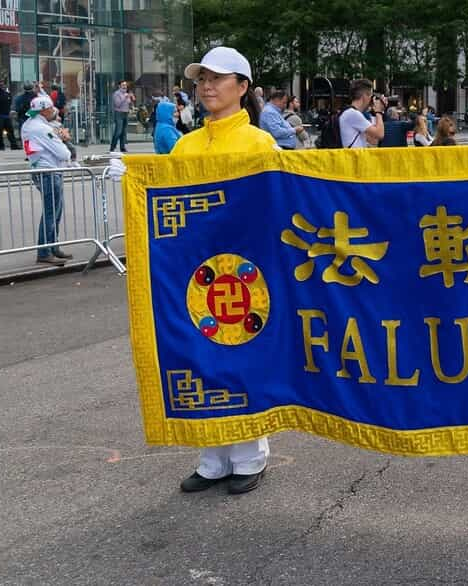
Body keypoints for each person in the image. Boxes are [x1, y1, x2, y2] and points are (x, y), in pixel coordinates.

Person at [171, 46, 276, 496]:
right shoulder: (186, 144)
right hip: (194, 276)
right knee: (199, 361)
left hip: (245, 277)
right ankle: (212, 459)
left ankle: (250, 457)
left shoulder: (259, 143)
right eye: (202, 79)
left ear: (243, 87)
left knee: (239, 361)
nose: (208, 86)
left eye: (218, 78)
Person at [19, 95, 73, 266]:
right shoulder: (42, 129)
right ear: (45, 110)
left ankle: (53, 246)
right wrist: (63, 140)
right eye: (51, 108)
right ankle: (44, 250)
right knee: (52, 212)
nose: (54, 110)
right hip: (49, 171)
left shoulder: (30, 124)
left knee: (55, 210)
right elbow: (63, 153)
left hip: (42, 169)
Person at [339, 80, 386, 149]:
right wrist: (379, 112)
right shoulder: (353, 114)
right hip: (353, 158)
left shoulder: (349, 113)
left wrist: (374, 113)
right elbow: (380, 134)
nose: (371, 99)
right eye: (371, 95)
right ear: (364, 96)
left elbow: (373, 141)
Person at [109, 80, 135, 152]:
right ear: (119, 86)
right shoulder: (116, 94)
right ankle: (112, 147)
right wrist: (125, 97)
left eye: (125, 85)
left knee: (124, 132)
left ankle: (122, 147)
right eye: (123, 85)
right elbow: (117, 104)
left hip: (126, 113)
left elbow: (129, 103)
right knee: (118, 131)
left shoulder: (127, 93)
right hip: (119, 113)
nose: (125, 86)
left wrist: (131, 100)